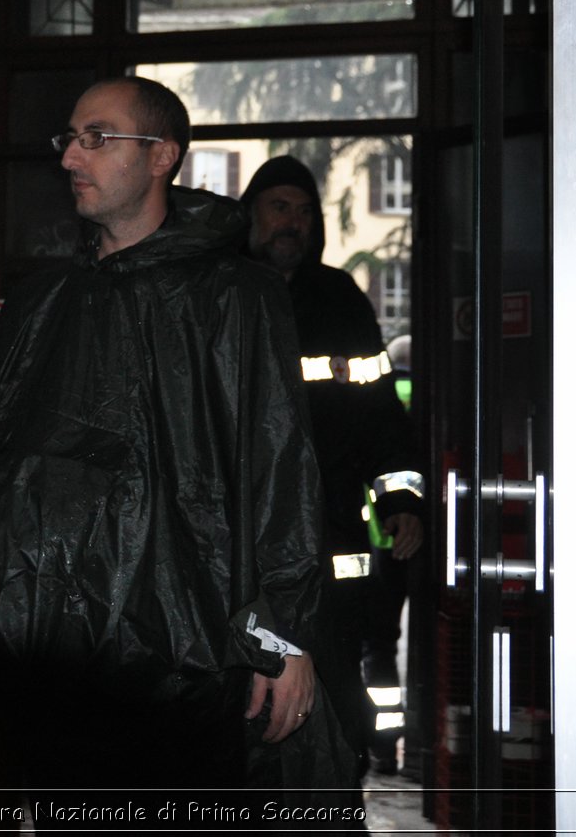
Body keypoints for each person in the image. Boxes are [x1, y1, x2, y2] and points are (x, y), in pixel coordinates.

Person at [0, 77, 357, 795]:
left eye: (97, 137)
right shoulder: (40, 305)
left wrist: (283, 636)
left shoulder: (235, 298)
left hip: (185, 662)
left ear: (161, 156)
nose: (69, 157)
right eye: (69, 138)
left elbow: (276, 465)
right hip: (53, 662)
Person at [241, 154, 426, 776]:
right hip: (240, 549)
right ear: (250, 216)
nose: (292, 223)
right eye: (278, 208)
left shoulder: (341, 299)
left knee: (339, 697)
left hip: (334, 546)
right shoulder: (221, 295)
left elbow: (381, 415)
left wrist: (403, 502)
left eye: (303, 212)